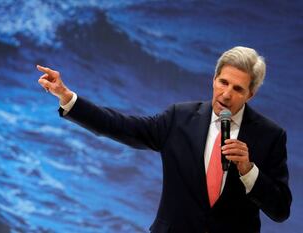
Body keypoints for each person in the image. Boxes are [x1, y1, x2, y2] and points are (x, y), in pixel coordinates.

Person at [36, 46, 291, 233]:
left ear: (251, 94)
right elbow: (121, 126)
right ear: (213, 80)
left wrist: (248, 171)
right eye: (223, 82)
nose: (226, 94)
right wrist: (67, 97)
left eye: (237, 89)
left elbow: (280, 210)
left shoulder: (270, 136)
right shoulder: (179, 118)